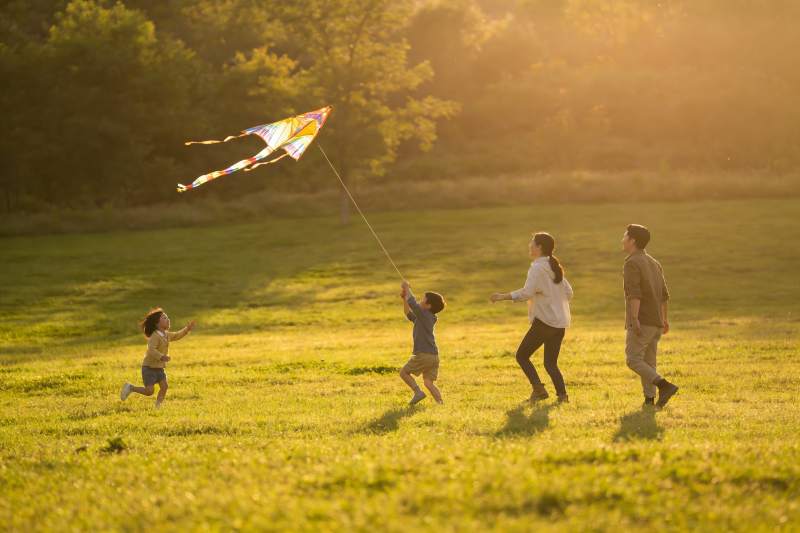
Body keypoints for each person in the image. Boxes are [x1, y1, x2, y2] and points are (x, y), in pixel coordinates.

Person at [491, 232, 573, 403]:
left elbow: (527, 293)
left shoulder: (537, 268)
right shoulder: (554, 266)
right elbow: (569, 293)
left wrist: (502, 296)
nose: (530, 245)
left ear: (539, 247)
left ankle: (539, 389)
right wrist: (550, 297)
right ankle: (562, 396)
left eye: (532, 243)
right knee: (550, 363)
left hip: (544, 323)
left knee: (521, 356)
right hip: (559, 323)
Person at [621, 224, 679, 408]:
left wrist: (634, 319)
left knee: (633, 359)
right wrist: (664, 319)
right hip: (656, 322)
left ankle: (664, 385)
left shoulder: (632, 263)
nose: (622, 240)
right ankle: (649, 401)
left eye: (625, 236)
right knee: (649, 362)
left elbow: (635, 294)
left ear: (632, 241)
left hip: (643, 320)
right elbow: (664, 295)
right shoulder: (654, 263)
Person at [120, 308, 195, 408]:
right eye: (164, 318)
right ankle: (130, 388)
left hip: (159, 368)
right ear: (157, 323)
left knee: (164, 387)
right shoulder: (155, 336)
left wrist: (186, 329)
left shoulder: (166, 335)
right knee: (149, 391)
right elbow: (151, 349)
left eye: (167, 317)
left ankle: (158, 406)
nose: (168, 319)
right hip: (149, 368)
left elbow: (177, 335)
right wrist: (161, 357)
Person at [399, 281, 446, 405]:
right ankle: (441, 403)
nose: (420, 300)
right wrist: (404, 299)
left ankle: (417, 392)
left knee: (403, 373)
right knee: (428, 383)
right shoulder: (425, 317)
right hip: (434, 356)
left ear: (428, 306)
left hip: (423, 354)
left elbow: (413, 303)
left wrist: (407, 289)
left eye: (423, 299)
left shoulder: (424, 315)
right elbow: (408, 314)